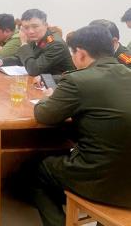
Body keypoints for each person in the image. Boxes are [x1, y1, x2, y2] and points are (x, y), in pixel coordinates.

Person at [27, 25, 131, 226]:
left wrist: (48, 98)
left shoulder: (77, 79)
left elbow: (44, 115)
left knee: (36, 170)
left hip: (101, 181)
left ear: (81, 54)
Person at [0, 9, 75, 76]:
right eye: (26, 27)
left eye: (35, 26)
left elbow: (34, 70)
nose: (31, 31)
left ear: (45, 25)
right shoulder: (36, 38)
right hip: (40, 82)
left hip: (59, 86)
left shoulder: (55, 44)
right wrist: (1, 61)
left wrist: (24, 43)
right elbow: (20, 59)